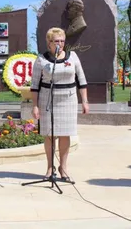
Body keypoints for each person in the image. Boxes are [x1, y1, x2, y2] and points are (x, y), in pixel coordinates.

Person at [30, 27, 89, 182]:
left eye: (62, 41)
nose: (60, 44)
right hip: (47, 99)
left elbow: (81, 80)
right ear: (49, 43)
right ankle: (50, 168)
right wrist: (35, 106)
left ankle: (63, 168)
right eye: (57, 41)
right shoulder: (41, 59)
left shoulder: (73, 57)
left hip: (68, 99)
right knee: (50, 135)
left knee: (65, 133)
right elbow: (35, 85)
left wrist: (85, 101)